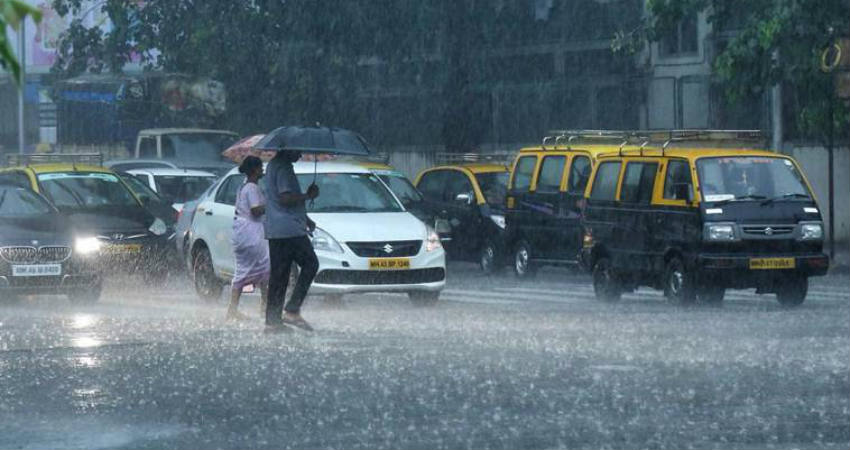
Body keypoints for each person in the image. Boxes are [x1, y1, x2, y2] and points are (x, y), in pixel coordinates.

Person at [263, 150, 320, 332]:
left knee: (279, 276)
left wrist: (306, 218)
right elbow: (285, 198)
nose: (301, 154)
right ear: (288, 149)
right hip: (289, 229)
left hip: (276, 228)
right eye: (298, 150)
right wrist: (308, 196)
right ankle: (292, 309)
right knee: (311, 263)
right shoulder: (284, 168)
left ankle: (272, 320)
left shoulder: (272, 165)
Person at [227, 156, 270, 320]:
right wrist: (271, 204)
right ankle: (265, 307)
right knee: (266, 269)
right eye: (260, 168)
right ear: (254, 170)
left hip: (242, 233)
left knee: (243, 271)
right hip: (251, 233)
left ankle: (233, 309)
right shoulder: (252, 188)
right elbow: (255, 211)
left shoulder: (243, 187)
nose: (262, 171)